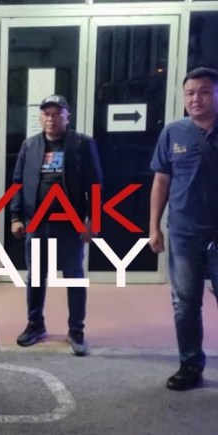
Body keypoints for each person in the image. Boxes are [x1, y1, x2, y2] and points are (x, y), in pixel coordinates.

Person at [10, 94, 102, 357]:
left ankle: (76, 330)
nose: (51, 119)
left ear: (67, 117)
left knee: (74, 276)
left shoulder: (82, 144)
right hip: (37, 222)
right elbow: (17, 183)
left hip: (71, 224)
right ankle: (35, 324)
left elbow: (96, 184)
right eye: (46, 114)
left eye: (57, 114)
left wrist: (93, 219)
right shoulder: (30, 145)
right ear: (40, 117)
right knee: (36, 276)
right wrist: (15, 217)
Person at [149, 66, 218, 391]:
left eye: (204, 92)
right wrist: (154, 227)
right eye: (190, 93)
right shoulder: (173, 133)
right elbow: (161, 181)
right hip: (184, 233)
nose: (196, 99)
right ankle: (190, 365)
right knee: (186, 303)